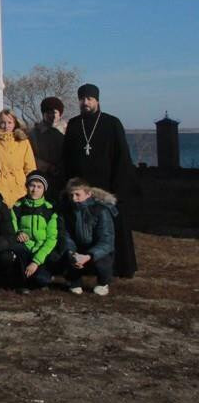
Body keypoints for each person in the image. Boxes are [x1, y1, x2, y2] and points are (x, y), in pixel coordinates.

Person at [61, 83, 137, 278]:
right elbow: (67, 156)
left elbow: (122, 158)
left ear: (97, 100)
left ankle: (119, 267)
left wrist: (118, 190)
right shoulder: (75, 124)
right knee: (81, 227)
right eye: (82, 99)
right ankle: (83, 266)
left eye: (89, 99)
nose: (85, 102)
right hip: (81, 188)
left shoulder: (112, 123)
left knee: (110, 228)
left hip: (106, 187)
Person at [61, 180, 117, 296]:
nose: (74, 198)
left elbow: (106, 240)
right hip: (77, 248)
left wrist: (89, 256)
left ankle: (103, 282)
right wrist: (72, 253)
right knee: (64, 253)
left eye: (77, 195)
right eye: (71, 195)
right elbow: (65, 235)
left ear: (88, 194)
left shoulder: (101, 210)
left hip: (95, 249)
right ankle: (74, 281)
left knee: (103, 259)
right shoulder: (66, 211)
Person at [11, 173, 61, 293]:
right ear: (26, 187)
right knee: (17, 250)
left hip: (41, 251)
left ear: (44, 189)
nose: (35, 190)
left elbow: (51, 238)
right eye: (32, 185)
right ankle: (22, 283)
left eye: (39, 187)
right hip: (25, 247)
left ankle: (43, 277)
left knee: (41, 280)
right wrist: (18, 233)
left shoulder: (49, 209)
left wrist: (36, 261)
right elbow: (11, 226)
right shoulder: (17, 206)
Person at [0, 109, 37, 208]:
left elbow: (30, 168)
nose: (6, 126)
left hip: (20, 189)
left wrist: (31, 187)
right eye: (3, 122)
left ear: (15, 123)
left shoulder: (23, 142)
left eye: (10, 122)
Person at [29, 96, 66, 203]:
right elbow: (30, 155)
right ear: (43, 114)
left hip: (64, 177)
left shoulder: (67, 131)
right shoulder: (34, 133)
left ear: (60, 114)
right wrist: (47, 167)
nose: (52, 116)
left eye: (55, 112)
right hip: (42, 177)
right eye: (48, 112)